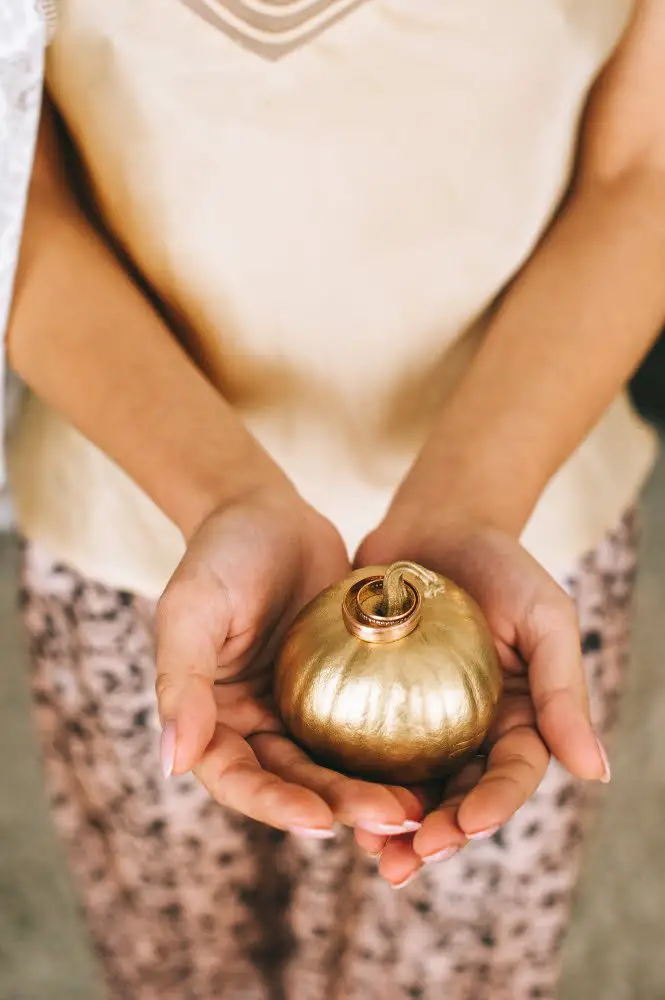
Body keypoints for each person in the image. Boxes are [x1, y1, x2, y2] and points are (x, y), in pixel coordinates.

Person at [2, 0, 664, 997]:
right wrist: (217, 489)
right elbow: (16, 194)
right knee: (184, 963)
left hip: (516, 571)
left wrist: (476, 498)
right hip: (131, 541)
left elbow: (642, 171)